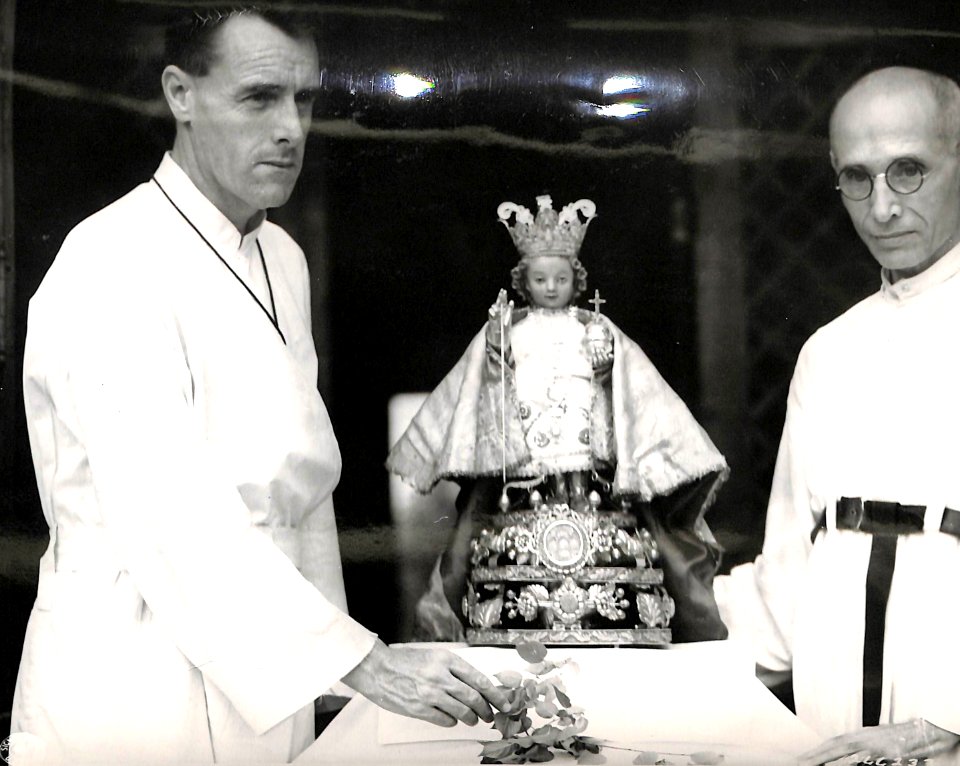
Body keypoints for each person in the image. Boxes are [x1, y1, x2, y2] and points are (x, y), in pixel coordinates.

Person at [9, 8, 506, 764]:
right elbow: (170, 515)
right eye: (259, 98)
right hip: (133, 676)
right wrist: (361, 662)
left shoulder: (281, 257)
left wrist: (334, 682)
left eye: (304, 100)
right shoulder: (110, 261)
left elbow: (300, 502)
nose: (291, 128)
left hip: (272, 668)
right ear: (181, 93)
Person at [715, 66, 960, 765]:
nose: (881, 207)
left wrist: (945, 723)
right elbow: (787, 574)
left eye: (908, 170)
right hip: (834, 738)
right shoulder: (829, 351)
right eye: (858, 177)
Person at [387, 195, 730, 644]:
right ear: (523, 282)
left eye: (561, 278)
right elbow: (477, 386)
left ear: (577, 280)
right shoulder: (507, 330)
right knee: (472, 539)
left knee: (643, 538)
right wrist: (496, 360)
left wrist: (609, 371)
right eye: (540, 279)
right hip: (526, 463)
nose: (551, 287)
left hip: (588, 460)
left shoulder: (597, 328)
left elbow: (634, 387)